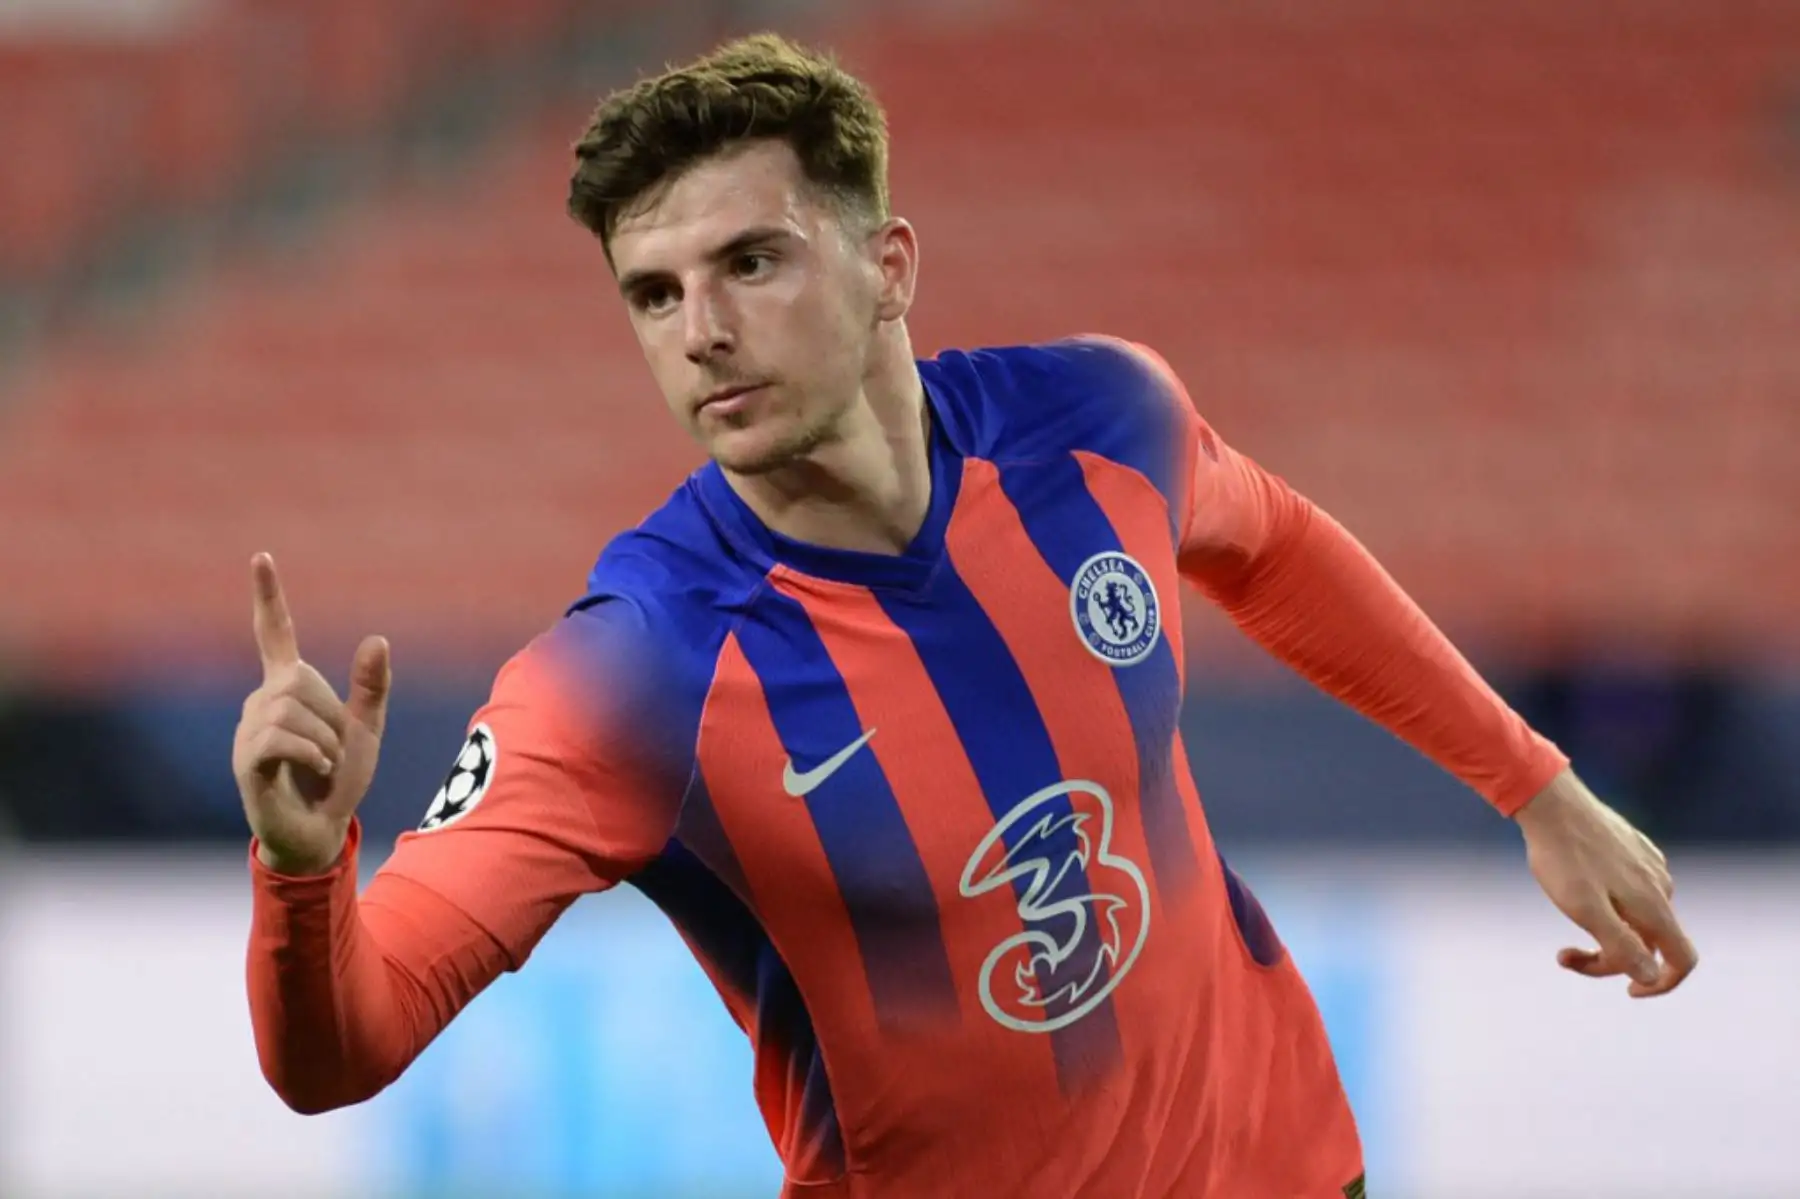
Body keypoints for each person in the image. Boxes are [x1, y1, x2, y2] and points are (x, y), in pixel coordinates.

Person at [235, 32, 1697, 1198]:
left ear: (889, 268)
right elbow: (343, 1050)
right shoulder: (628, 674)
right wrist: (305, 877)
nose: (702, 331)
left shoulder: (1099, 422)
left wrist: (1535, 782)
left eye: (751, 261)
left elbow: (1273, 542)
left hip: (1293, 1166)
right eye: (654, 293)